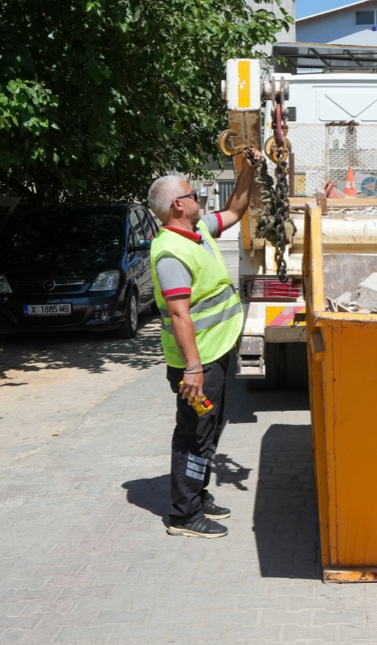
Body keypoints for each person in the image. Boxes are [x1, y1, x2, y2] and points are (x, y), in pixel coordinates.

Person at [146, 158, 254, 538]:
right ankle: (184, 513)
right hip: (198, 365)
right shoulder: (171, 252)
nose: (200, 198)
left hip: (214, 356)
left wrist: (249, 169)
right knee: (193, 434)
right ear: (179, 204)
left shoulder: (198, 232)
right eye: (193, 193)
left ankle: (198, 493)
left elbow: (237, 208)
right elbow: (179, 315)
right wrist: (192, 368)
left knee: (208, 431)